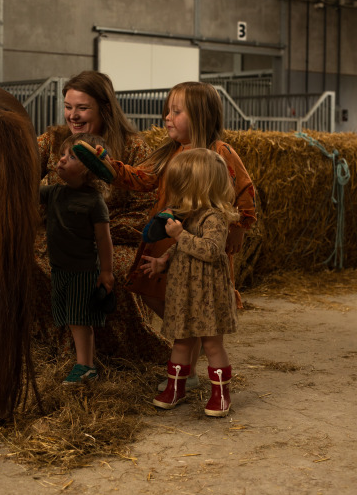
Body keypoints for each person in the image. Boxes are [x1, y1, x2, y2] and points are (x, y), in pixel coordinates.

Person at [81, 81, 256, 388]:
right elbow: (140, 178)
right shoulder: (168, 153)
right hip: (168, 237)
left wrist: (240, 226)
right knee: (152, 291)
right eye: (167, 111)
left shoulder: (220, 152)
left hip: (204, 239)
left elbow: (244, 188)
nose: (167, 117)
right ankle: (186, 351)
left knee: (196, 303)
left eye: (177, 111)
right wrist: (110, 167)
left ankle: (186, 370)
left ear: (201, 115)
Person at [35, 70, 170, 363]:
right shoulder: (52, 140)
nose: (73, 115)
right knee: (34, 263)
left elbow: (147, 207)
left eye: (82, 108)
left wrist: (101, 234)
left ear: (105, 108)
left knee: (117, 273)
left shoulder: (132, 146)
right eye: (68, 107)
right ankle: (58, 350)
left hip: (113, 238)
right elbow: (21, 176)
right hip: (57, 237)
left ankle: (122, 354)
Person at [141, 148, 240, 415]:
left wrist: (179, 235)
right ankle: (176, 388)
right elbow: (183, 248)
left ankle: (221, 394)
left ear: (196, 187)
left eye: (180, 187)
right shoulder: (190, 217)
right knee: (181, 341)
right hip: (186, 292)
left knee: (211, 344)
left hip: (207, 295)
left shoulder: (215, 218)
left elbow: (209, 250)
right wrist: (163, 260)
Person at [40, 133, 114, 384]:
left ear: (89, 170)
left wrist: (106, 271)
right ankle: (83, 363)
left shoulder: (94, 201)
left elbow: (104, 239)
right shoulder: (53, 193)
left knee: (80, 319)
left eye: (71, 156)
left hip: (83, 271)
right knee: (70, 318)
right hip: (60, 268)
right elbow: (27, 191)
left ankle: (86, 366)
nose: (61, 159)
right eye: (63, 154)